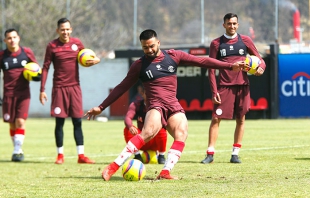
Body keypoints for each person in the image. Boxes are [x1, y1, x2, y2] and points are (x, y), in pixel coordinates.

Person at [84, 29, 246, 181]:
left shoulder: (173, 56)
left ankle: (165, 172)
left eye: (152, 46)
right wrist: (102, 107)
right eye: (145, 47)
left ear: (159, 43)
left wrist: (229, 66)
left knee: (182, 133)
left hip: (173, 106)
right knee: (147, 133)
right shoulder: (139, 65)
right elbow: (121, 87)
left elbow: (202, 60)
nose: (149, 50)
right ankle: (112, 168)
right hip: (156, 106)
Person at [200, 13, 266, 164]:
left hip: (242, 86)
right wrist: (214, 90)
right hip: (224, 86)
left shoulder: (245, 40)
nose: (232, 26)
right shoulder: (216, 43)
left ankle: (235, 153)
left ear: (238, 25)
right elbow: (210, 69)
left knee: (241, 119)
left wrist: (261, 68)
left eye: (235, 23)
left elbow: (260, 60)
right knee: (216, 118)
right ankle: (210, 153)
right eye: (229, 23)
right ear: (224, 25)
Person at [39, 18, 100, 164]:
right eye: (62, 29)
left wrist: (96, 60)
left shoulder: (77, 44)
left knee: (77, 121)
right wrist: (42, 89)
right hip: (59, 88)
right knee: (59, 123)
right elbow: (46, 67)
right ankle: (60, 155)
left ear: (71, 30)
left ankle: (81, 156)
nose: (65, 32)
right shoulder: (52, 46)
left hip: (75, 88)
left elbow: (87, 59)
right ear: (57, 31)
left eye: (67, 29)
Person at [0, 28, 41, 162]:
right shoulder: (2, 55)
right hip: (8, 94)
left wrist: (36, 76)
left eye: (14, 37)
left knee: (20, 121)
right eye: (9, 38)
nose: (12, 40)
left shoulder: (26, 52)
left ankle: (17, 150)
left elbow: (36, 69)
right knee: (11, 123)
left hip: (23, 94)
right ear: (5, 40)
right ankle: (17, 148)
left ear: (19, 38)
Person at [124, 85, 167, 164]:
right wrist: (130, 126)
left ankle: (161, 155)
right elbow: (127, 118)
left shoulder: (160, 105)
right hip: (141, 139)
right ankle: (137, 156)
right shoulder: (136, 104)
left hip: (154, 140)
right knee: (128, 129)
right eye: (148, 93)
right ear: (142, 93)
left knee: (162, 127)